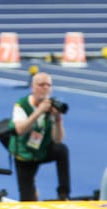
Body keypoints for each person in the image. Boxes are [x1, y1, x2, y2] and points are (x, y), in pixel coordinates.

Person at [9, 72, 70, 201]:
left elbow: (58, 140)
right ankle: (32, 191)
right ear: (32, 87)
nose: (45, 88)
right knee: (27, 200)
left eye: (48, 85)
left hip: (42, 150)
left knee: (62, 150)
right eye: (41, 85)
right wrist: (38, 112)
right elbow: (20, 130)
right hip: (24, 155)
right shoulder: (21, 105)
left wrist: (58, 119)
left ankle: (63, 194)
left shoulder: (52, 106)